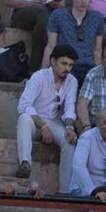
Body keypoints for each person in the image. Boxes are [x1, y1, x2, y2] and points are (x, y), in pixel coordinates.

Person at [16, 44, 79, 190]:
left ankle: (65, 192)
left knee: (70, 141)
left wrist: (69, 127)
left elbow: (70, 107)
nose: (67, 69)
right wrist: (42, 125)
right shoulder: (39, 76)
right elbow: (24, 105)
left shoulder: (72, 81)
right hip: (34, 121)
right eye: (64, 63)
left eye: (70, 65)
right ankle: (25, 163)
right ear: (53, 61)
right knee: (24, 118)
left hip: (54, 123)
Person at [45, 0, 106, 79]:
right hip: (66, 65)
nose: (84, 1)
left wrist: (99, 75)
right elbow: (51, 46)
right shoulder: (58, 15)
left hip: (88, 66)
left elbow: (97, 50)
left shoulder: (97, 18)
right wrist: (43, 73)